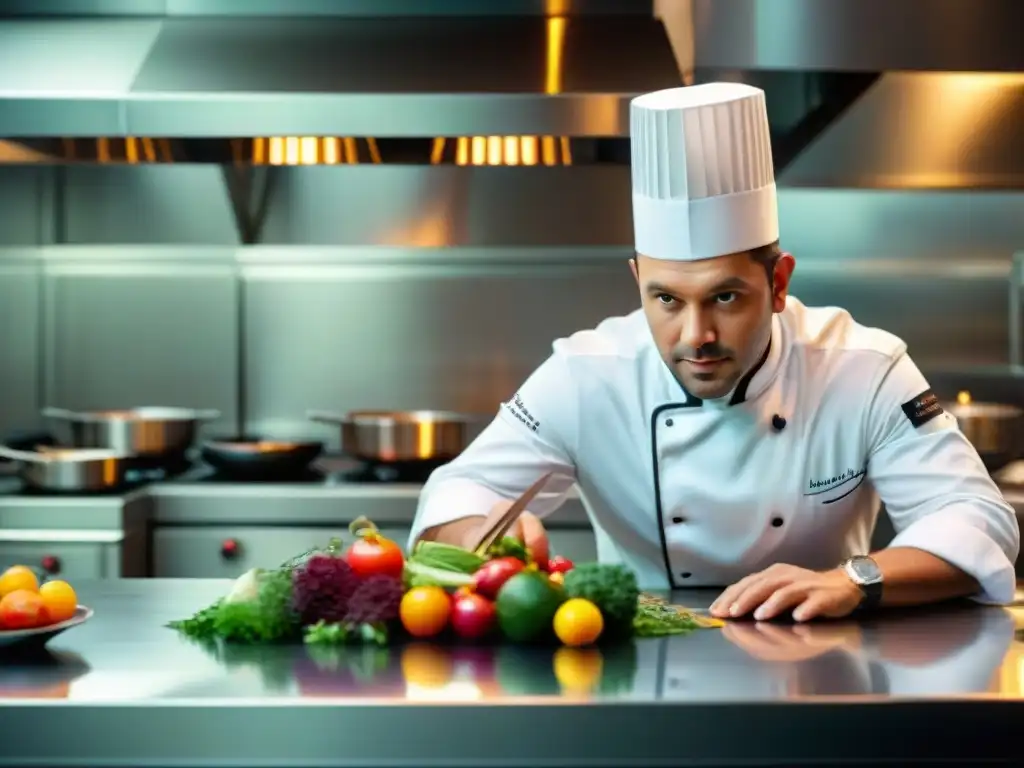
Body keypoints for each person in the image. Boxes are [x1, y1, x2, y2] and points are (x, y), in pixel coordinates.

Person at [407, 82, 1020, 622]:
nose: (694, 335)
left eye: (725, 297)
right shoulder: (586, 375)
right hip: (635, 663)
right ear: (637, 281)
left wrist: (852, 581)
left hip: (825, 666)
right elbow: (457, 493)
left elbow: (976, 519)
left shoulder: (864, 369)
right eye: (666, 300)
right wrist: (487, 530)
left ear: (779, 283)